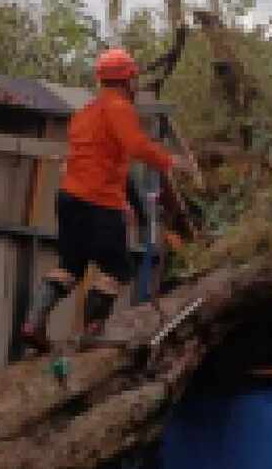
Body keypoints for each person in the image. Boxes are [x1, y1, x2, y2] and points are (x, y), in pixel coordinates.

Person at [20, 47, 189, 353]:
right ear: (127, 80)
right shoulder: (119, 108)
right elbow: (136, 145)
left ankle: (33, 322)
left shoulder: (85, 113)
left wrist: (127, 202)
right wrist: (169, 161)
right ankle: (92, 332)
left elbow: (103, 161)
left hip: (70, 198)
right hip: (99, 203)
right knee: (117, 270)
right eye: (134, 80)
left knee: (70, 265)